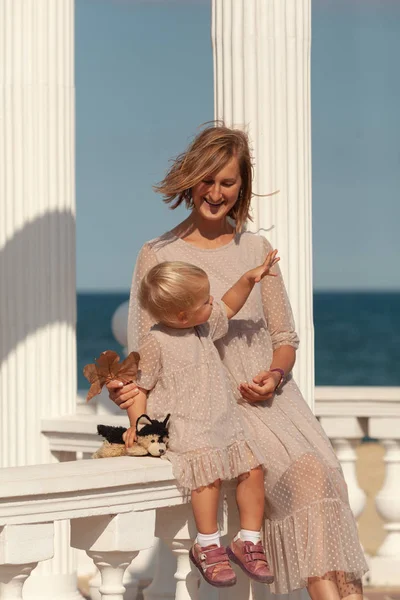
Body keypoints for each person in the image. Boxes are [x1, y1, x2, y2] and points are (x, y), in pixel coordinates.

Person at [108, 125, 368, 599]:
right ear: (190, 181)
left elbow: (285, 339)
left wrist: (274, 374)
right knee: (305, 480)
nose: (215, 192)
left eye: (227, 182)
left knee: (324, 472)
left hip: (274, 403)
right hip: (208, 406)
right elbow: (144, 355)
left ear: (241, 186)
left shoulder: (255, 251)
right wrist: (138, 421)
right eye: (207, 180)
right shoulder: (158, 254)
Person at [123, 255, 279, 587]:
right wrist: (139, 425)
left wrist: (249, 279)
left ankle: (248, 539)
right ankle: (208, 545)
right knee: (206, 479)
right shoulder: (156, 342)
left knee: (253, 469)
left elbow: (229, 306)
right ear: (182, 315)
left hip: (222, 421)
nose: (213, 303)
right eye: (205, 300)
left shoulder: (203, 326)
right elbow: (139, 386)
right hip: (187, 427)